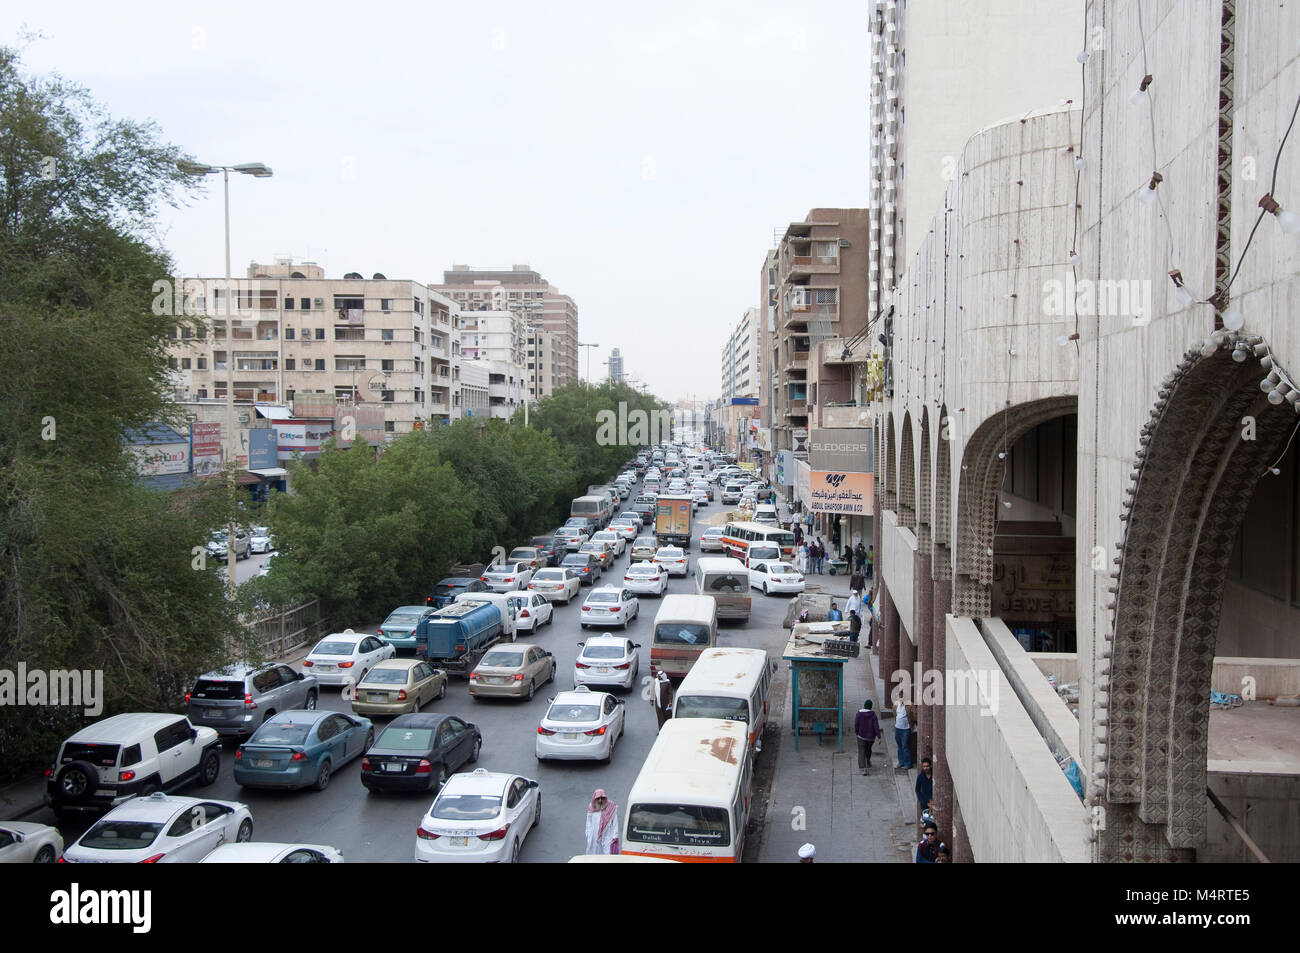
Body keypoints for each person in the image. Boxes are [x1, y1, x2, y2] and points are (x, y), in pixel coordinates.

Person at [585, 789, 621, 855]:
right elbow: (588, 823)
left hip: (608, 835)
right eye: (598, 798)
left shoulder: (611, 806)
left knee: (607, 855)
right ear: (595, 799)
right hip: (595, 837)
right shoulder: (592, 807)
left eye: (602, 798)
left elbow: (615, 823)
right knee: (595, 855)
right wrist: (589, 835)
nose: (600, 800)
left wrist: (615, 836)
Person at [854, 698, 882, 774]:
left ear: (864, 706)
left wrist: (857, 733)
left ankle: (863, 769)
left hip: (861, 736)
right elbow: (876, 726)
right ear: (871, 707)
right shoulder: (873, 715)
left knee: (861, 751)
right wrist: (879, 737)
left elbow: (856, 725)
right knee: (868, 750)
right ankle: (868, 761)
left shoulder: (859, 714)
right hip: (870, 738)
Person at [895, 698, 913, 769]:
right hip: (897, 727)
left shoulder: (909, 705)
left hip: (905, 728)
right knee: (899, 745)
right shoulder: (896, 704)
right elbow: (895, 713)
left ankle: (907, 763)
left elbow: (914, 715)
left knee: (905, 745)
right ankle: (901, 761)